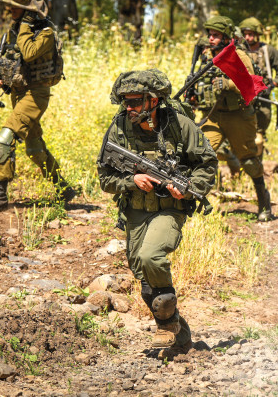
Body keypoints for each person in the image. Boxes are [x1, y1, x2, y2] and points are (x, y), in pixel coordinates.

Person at [97, 69, 217, 359]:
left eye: (136, 101)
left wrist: (188, 190)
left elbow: (208, 163)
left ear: (153, 100)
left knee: (152, 257)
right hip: (135, 211)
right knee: (146, 280)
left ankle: (165, 326)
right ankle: (180, 336)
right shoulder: (119, 128)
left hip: (169, 210)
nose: (129, 107)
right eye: (125, 101)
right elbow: (104, 178)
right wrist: (131, 181)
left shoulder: (179, 125)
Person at [0, 0, 76, 214]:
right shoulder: (15, 31)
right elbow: (14, 61)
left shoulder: (46, 33)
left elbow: (29, 52)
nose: (10, 10)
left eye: (15, 7)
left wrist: (26, 26)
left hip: (36, 95)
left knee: (3, 140)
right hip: (20, 94)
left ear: (29, 11)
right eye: (9, 6)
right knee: (34, 149)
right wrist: (0, 80)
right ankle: (63, 188)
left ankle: (0, 196)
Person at [194, 15, 273, 221]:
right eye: (209, 34)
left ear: (226, 36)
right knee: (202, 154)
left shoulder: (239, 55)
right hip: (213, 115)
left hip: (239, 115)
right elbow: (200, 81)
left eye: (216, 35)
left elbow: (252, 86)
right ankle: (194, 204)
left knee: (248, 162)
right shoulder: (206, 55)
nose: (211, 39)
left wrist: (229, 85)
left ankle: (264, 202)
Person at [238, 17, 278, 158]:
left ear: (258, 34)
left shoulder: (269, 51)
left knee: (258, 136)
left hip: (262, 99)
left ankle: (256, 167)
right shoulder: (239, 51)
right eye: (245, 34)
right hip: (242, 99)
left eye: (251, 34)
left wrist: (272, 85)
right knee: (240, 134)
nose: (248, 37)